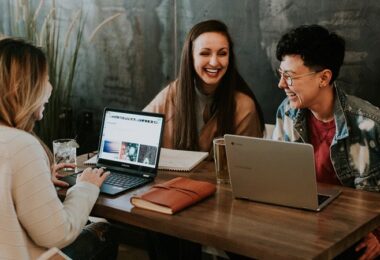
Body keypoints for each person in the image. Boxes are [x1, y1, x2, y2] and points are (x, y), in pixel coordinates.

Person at [0, 38, 118, 259]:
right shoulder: (22, 145)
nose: (50, 88)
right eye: (45, 80)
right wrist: (85, 187)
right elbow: (57, 235)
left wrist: (40, 179)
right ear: (23, 88)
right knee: (104, 230)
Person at [273, 24, 380, 259]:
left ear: (324, 78)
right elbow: (278, 178)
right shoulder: (287, 112)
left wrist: (377, 235)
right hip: (302, 225)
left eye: (289, 76)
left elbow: (372, 198)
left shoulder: (368, 124)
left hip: (352, 232)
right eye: (280, 74)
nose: (281, 84)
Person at [144, 19, 265, 154]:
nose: (214, 62)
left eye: (222, 53)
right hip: (171, 176)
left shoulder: (244, 106)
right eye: (205, 53)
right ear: (190, 57)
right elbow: (138, 133)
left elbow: (247, 167)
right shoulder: (171, 94)